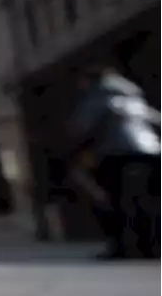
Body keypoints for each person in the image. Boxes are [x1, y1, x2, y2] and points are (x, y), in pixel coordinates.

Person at [66, 66, 162, 260]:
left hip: (116, 156)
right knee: (148, 202)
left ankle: (122, 246)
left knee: (113, 202)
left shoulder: (98, 99)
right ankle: (151, 246)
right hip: (152, 154)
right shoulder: (136, 100)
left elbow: (80, 129)